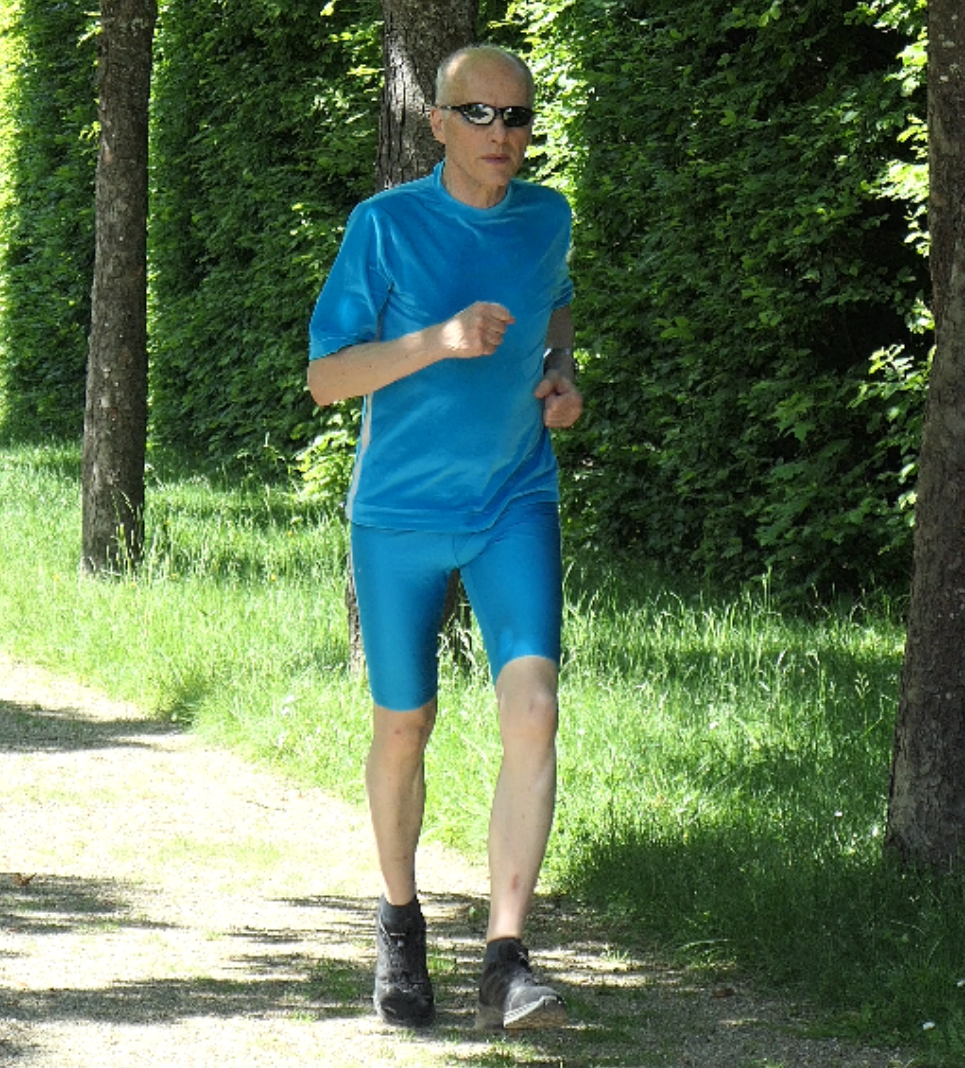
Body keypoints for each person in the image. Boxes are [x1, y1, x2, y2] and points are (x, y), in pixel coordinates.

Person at [307, 43, 582, 1032]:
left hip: (513, 499)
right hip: (398, 518)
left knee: (534, 708)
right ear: (438, 123)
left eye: (518, 119)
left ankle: (506, 957)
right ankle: (397, 922)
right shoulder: (385, 227)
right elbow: (326, 378)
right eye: (481, 116)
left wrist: (560, 376)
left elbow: (554, 306)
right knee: (402, 727)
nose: (503, 136)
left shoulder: (546, 216)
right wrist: (436, 340)